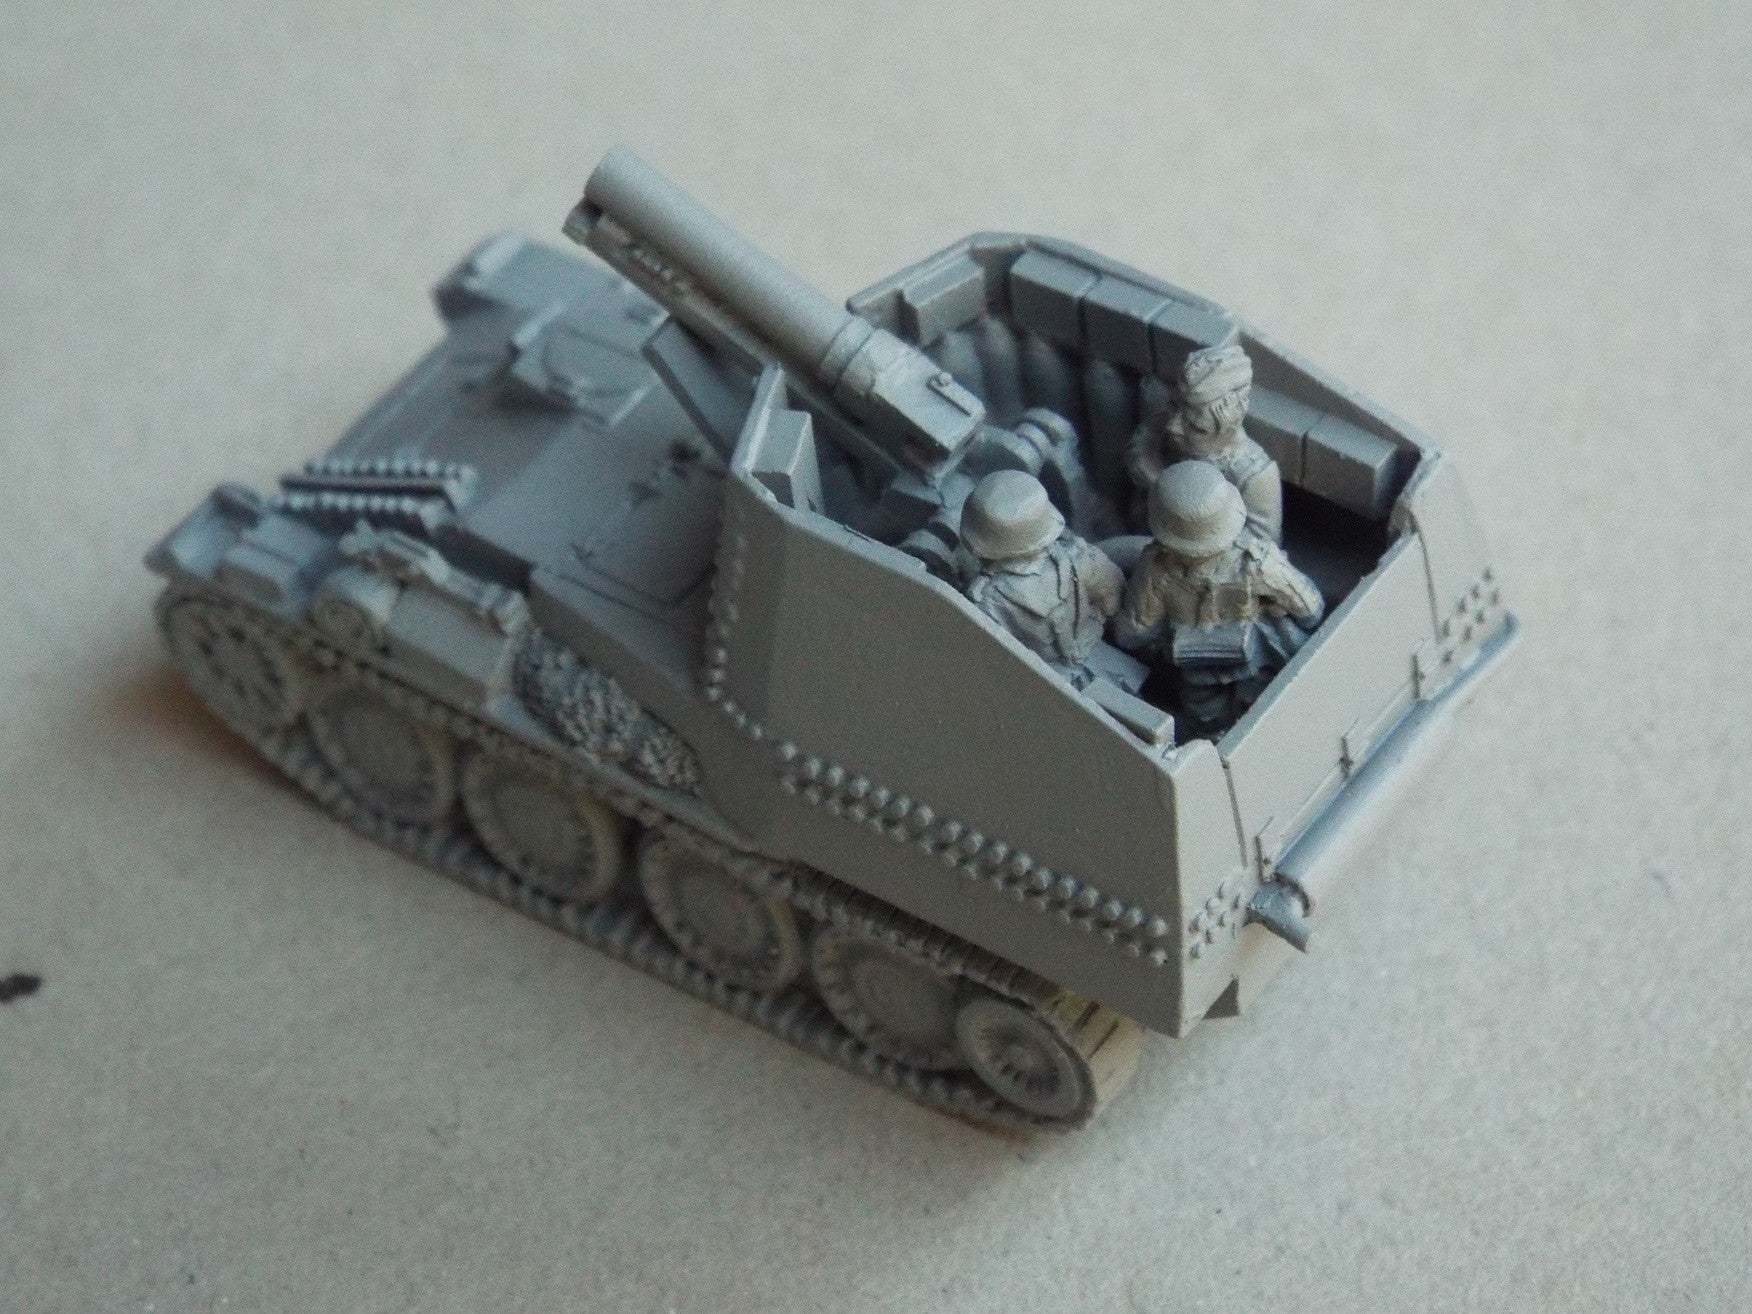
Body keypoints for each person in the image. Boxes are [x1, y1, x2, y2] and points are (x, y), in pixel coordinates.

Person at [1113, 461, 1323, 734]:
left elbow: (1132, 633)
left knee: (1207, 718)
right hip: (1257, 665)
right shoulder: (1258, 563)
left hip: (1198, 671)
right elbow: (1310, 610)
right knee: (1262, 712)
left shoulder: (1155, 570)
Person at [960, 469, 1124, 679]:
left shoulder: (988, 598)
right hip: (1084, 651)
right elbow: (1113, 594)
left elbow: (986, 657)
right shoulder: (1080, 555)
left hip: (1043, 674)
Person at [1127, 341, 1282, 542]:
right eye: (1174, 406)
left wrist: (1161, 486)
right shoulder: (1170, 425)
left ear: (1228, 428)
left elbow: (1262, 546)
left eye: (1196, 427)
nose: (1173, 426)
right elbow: (1143, 441)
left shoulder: (1255, 476)